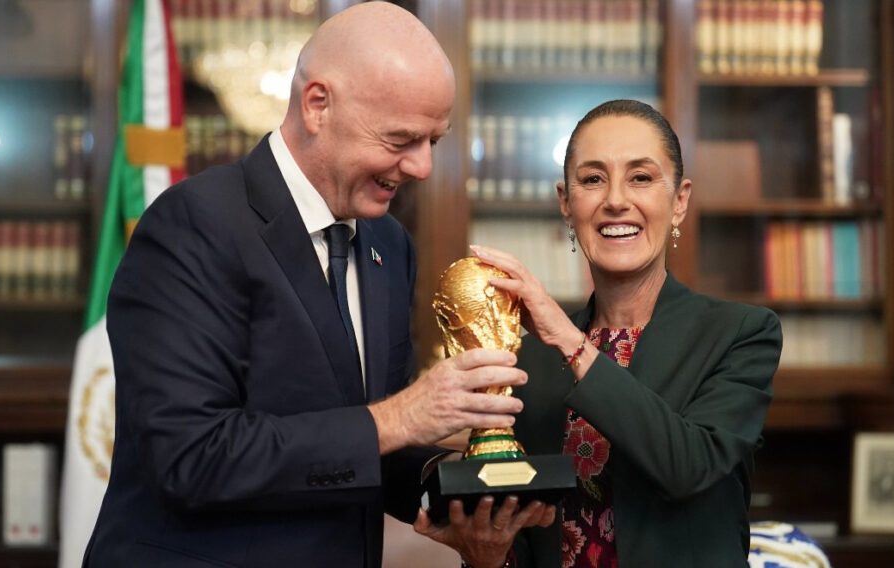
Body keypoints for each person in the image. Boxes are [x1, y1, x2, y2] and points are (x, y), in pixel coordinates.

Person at [84, 3, 552, 567]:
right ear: (317, 106)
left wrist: (458, 493)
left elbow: (367, 445)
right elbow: (191, 456)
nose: (422, 167)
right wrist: (402, 416)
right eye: (401, 139)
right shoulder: (193, 224)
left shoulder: (389, 243)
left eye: (434, 140)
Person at [457, 99, 783, 567]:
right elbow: (522, 533)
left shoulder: (739, 334)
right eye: (593, 179)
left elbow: (688, 467)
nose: (615, 200)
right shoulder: (528, 360)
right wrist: (488, 557)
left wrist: (571, 342)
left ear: (679, 201)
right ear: (566, 204)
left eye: (641, 178)